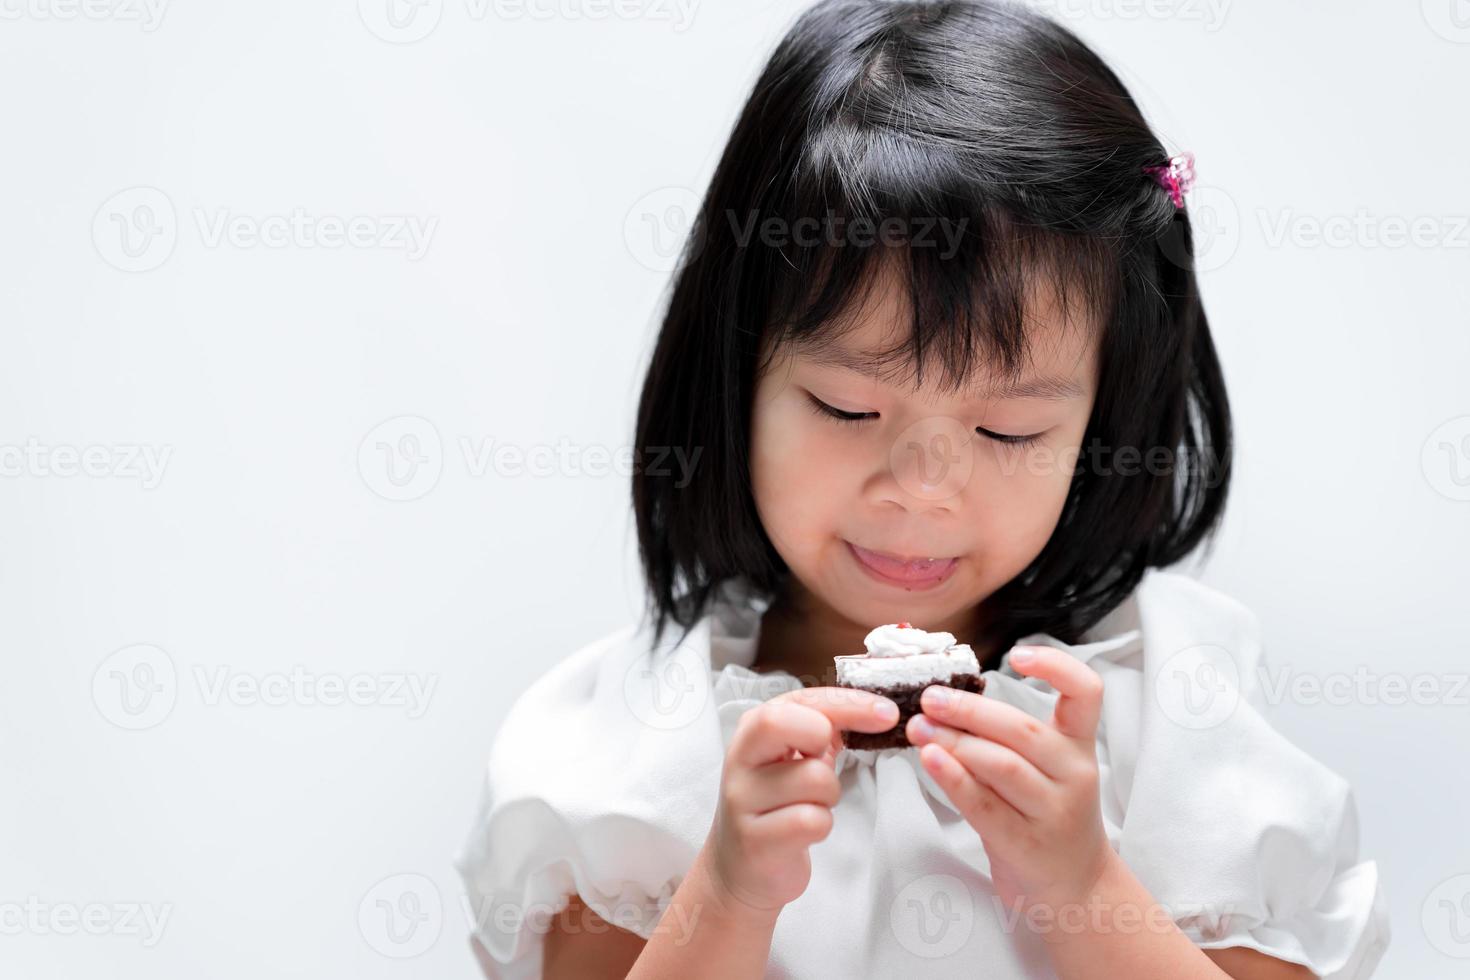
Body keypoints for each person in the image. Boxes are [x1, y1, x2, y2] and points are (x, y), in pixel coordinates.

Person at [456, 1, 1390, 976]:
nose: (921, 487)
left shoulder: (1162, 715)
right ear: (736, 379)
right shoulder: (642, 739)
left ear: (1101, 423)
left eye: (1008, 429)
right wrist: (729, 895)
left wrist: (1081, 889)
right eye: (848, 408)